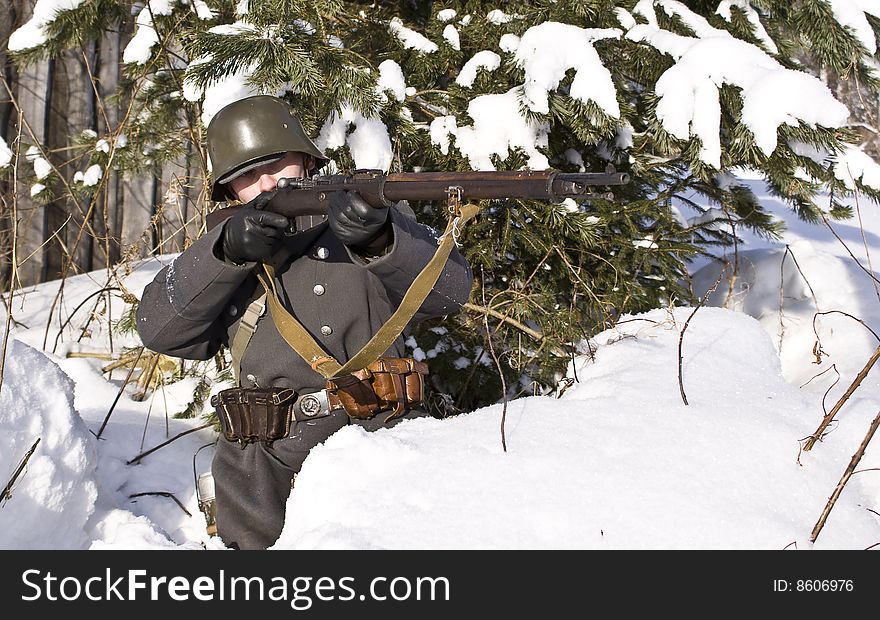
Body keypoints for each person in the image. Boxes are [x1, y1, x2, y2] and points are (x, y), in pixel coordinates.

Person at [136, 95, 473, 549]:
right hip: (259, 473)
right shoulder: (225, 248)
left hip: (375, 450)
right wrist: (226, 254)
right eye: (246, 177)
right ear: (230, 192)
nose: (267, 183)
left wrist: (380, 238)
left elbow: (451, 291)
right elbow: (158, 328)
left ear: (306, 159)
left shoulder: (372, 215)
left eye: (276, 164)